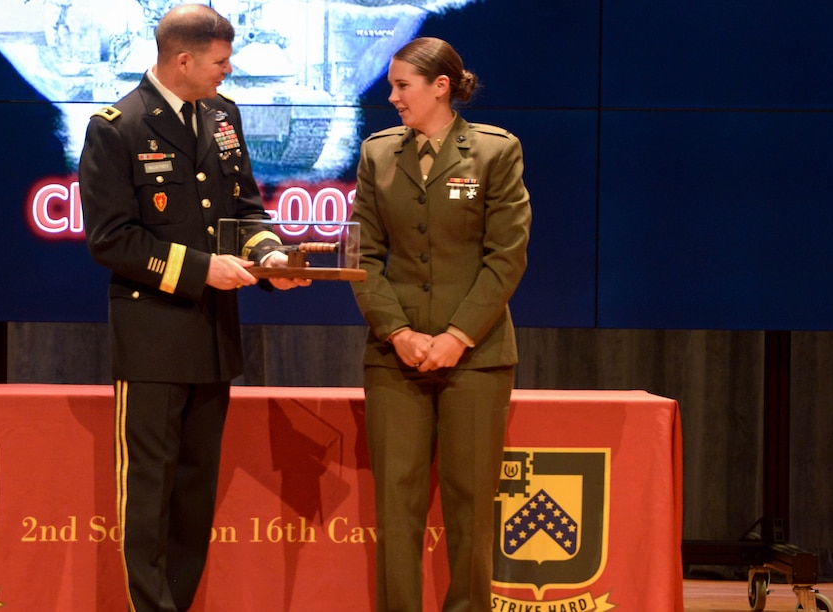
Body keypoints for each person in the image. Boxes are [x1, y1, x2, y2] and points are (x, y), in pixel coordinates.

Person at [77, 4, 307, 610]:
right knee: (149, 497)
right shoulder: (116, 126)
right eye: (220, 62)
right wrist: (205, 269)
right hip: (153, 338)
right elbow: (112, 240)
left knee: (194, 495)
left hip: (214, 338)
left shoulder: (223, 115)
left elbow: (245, 208)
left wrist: (269, 257)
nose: (227, 73)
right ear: (184, 59)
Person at [348, 37, 531, 611]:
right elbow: (364, 259)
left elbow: (507, 256)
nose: (393, 96)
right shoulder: (378, 154)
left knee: (472, 507)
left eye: (403, 85)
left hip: (476, 357)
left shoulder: (495, 152)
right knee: (395, 509)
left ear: (440, 86)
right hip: (393, 357)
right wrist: (399, 333)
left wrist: (456, 337)